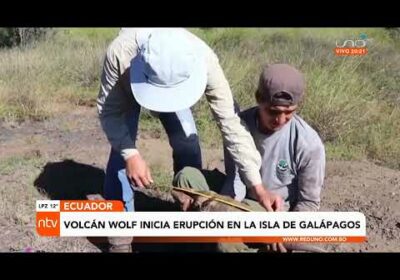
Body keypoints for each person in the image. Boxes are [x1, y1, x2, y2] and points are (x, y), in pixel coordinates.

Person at [97, 28, 282, 252]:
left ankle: (189, 215)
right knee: (122, 158)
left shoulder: (204, 60)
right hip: (127, 87)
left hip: (170, 77)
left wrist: (257, 185)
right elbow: (109, 113)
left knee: (188, 142)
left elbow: (231, 125)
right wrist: (131, 154)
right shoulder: (120, 53)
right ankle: (120, 237)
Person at [174, 63, 326, 252]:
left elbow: (309, 203)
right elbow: (234, 176)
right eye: (273, 111)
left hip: (271, 214)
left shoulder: (309, 143)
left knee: (225, 241)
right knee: (186, 178)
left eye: (289, 112)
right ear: (258, 99)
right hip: (239, 196)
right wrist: (226, 204)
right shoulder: (238, 125)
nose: (280, 119)